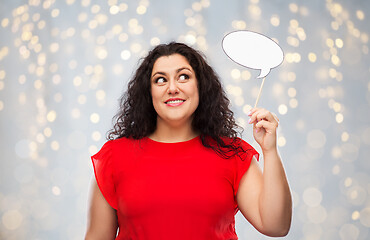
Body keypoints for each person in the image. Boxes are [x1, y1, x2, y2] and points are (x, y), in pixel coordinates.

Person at [85, 42, 292, 240]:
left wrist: (270, 150)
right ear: (148, 92)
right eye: (160, 80)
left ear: (200, 86)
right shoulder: (115, 156)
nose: (172, 88)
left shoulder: (232, 153)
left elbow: (276, 225)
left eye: (183, 76)